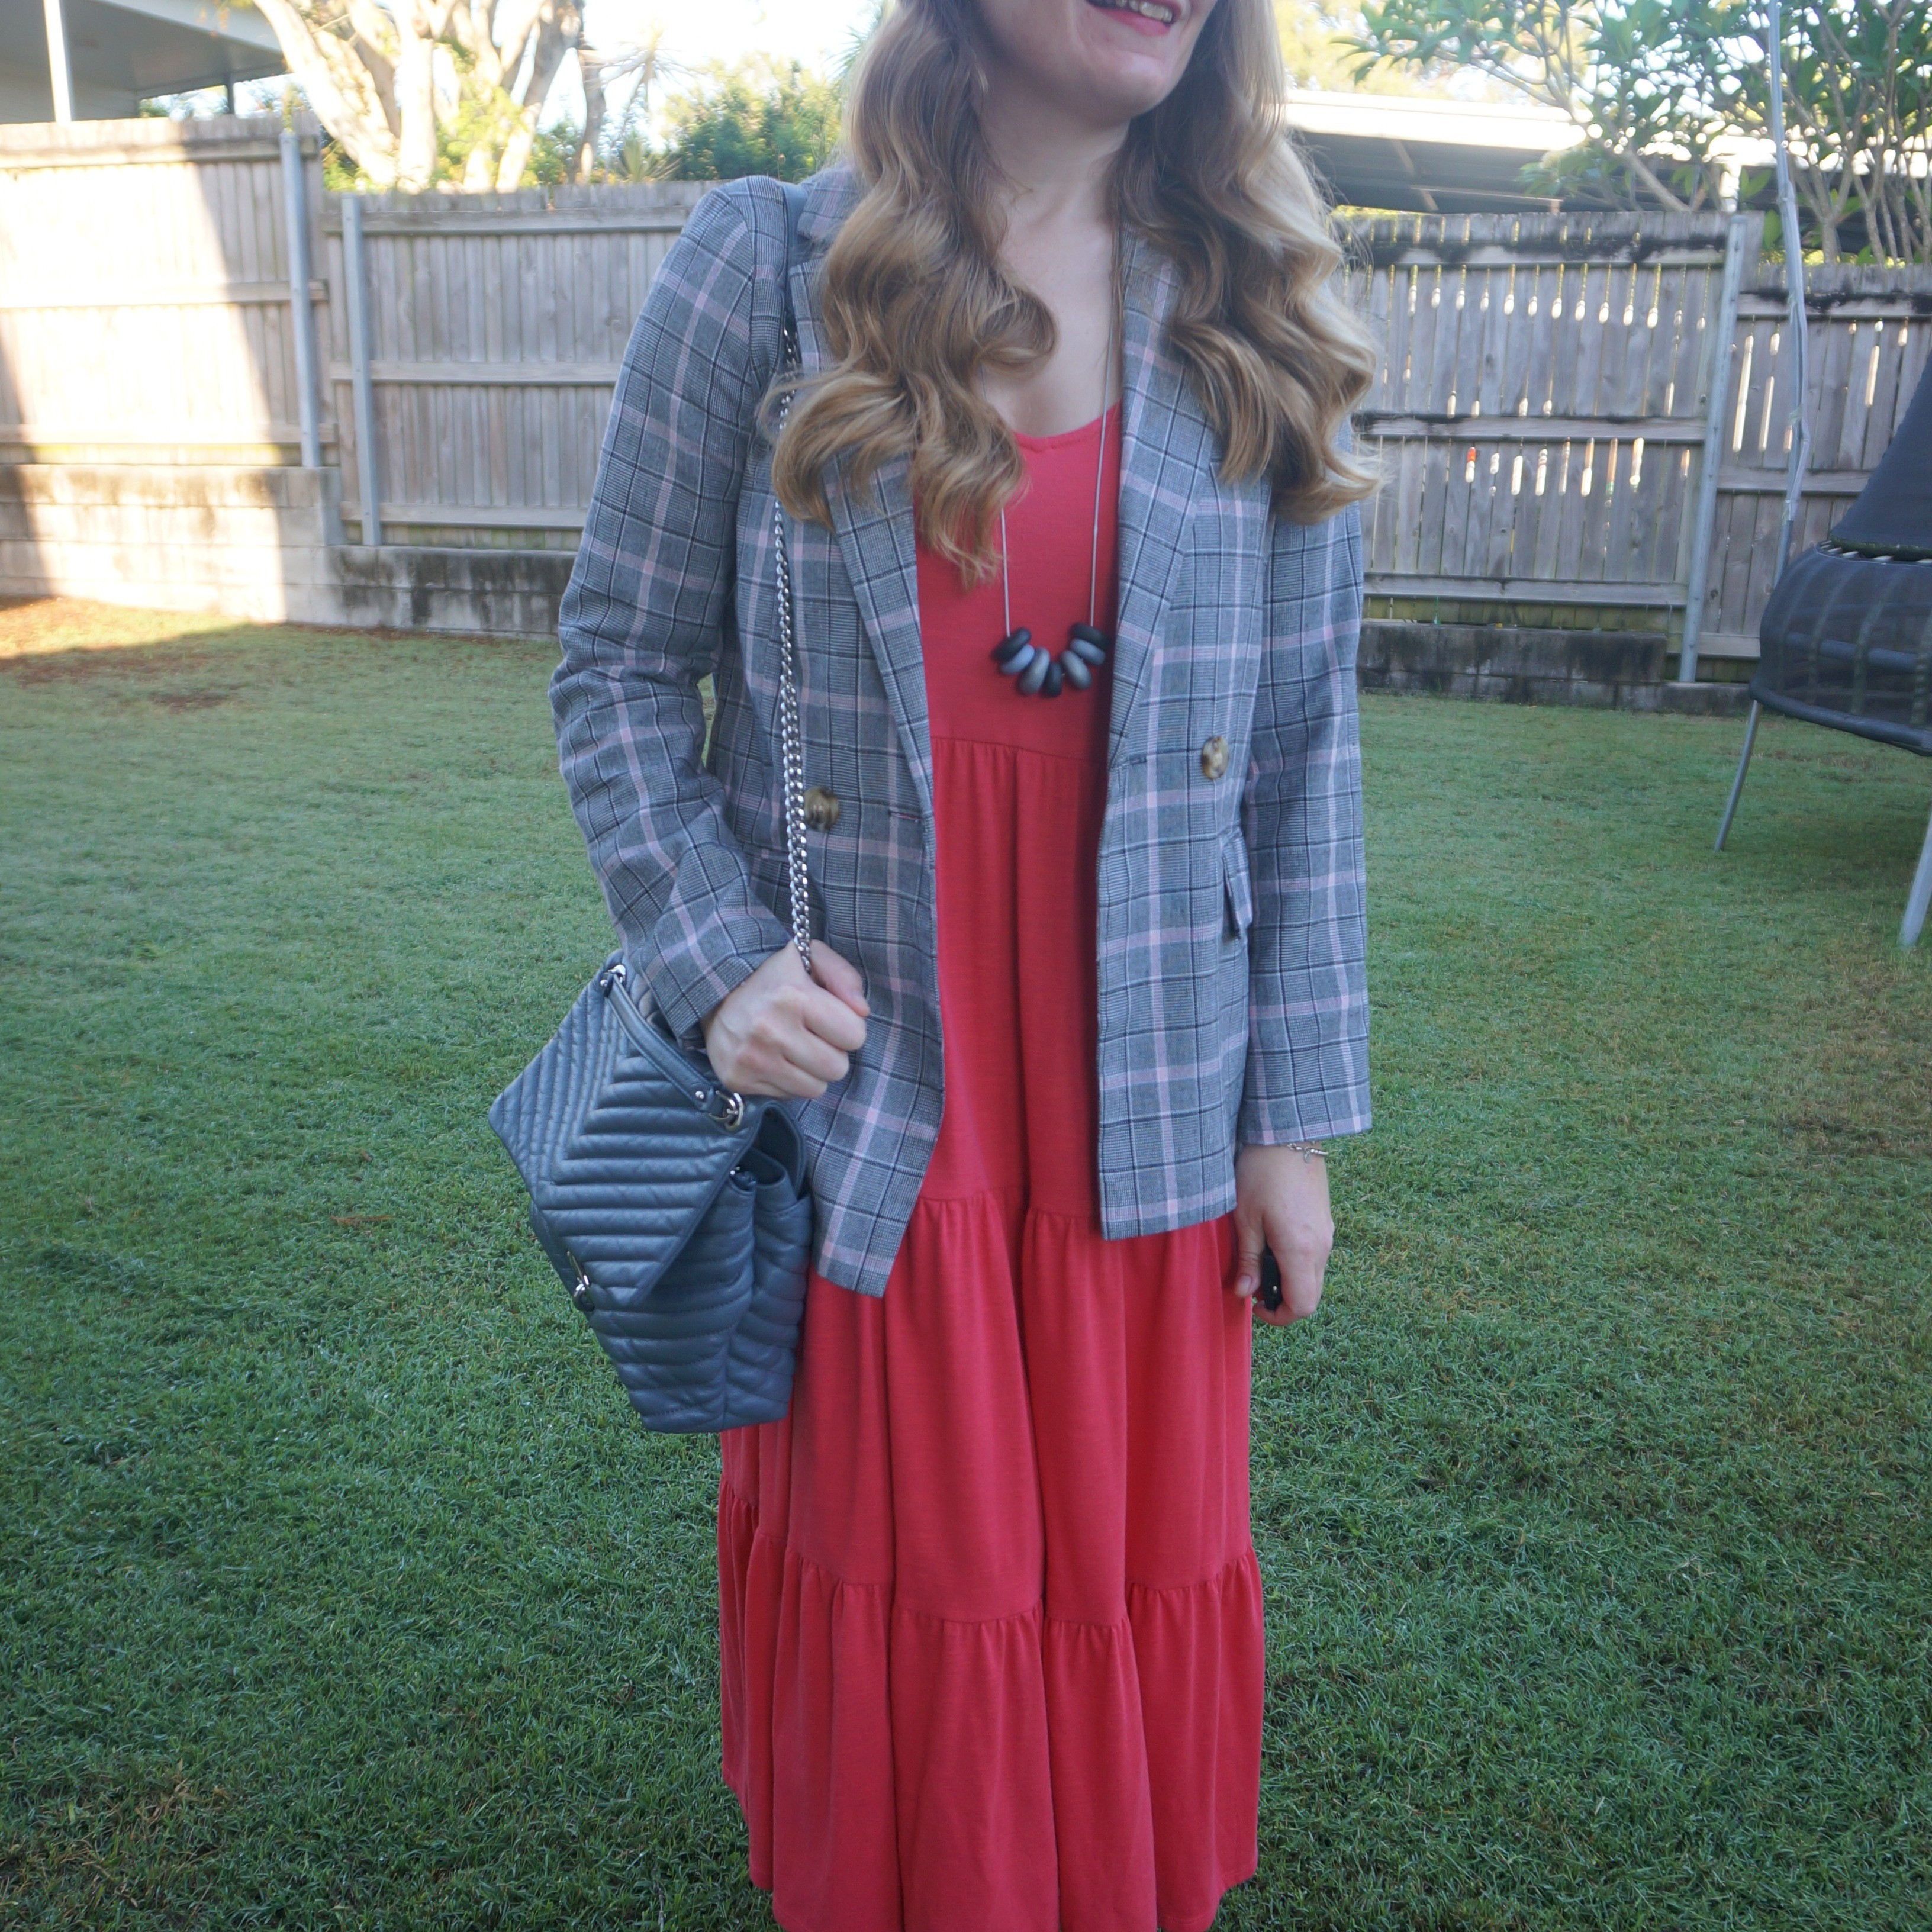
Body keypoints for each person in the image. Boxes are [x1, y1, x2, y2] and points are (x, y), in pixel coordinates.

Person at [550, 1, 1374, 1925]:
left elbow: (1308, 742)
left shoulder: (1259, 304)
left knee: (1115, 1587)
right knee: (914, 1596)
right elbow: (611, 660)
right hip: (876, 1116)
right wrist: (712, 957)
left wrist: (1292, 1120)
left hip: (1149, 1123)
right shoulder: (766, 271)